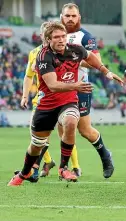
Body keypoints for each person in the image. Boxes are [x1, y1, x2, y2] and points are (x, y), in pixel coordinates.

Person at [7, 21, 122, 186]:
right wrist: (76, 85)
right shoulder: (43, 56)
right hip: (46, 104)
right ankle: (24, 173)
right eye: (56, 37)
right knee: (36, 145)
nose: (61, 40)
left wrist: (107, 72)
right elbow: (53, 85)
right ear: (48, 40)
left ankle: (63, 168)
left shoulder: (75, 49)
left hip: (68, 101)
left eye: (63, 36)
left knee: (70, 121)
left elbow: (90, 57)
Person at [57, 3, 114, 178]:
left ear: (79, 17)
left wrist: (73, 58)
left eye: (74, 16)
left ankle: (105, 155)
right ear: (62, 17)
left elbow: (96, 61)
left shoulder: (85, 37)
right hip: (58, 89)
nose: (70, 19)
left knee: (85, 131)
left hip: (80, 88)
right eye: (67, 16)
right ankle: (63, 168)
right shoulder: (56, 35)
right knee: (61, 126)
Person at [20, 22, 56, 181]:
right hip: (40, 98)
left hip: (59, 98)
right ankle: (46, 163)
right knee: (37, 135)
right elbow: (28, 76)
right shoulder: (34, 53)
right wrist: (24, 96)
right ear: (42, 35)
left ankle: (67, 167)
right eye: (46, 34)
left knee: (62, 134)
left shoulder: (60, 51)